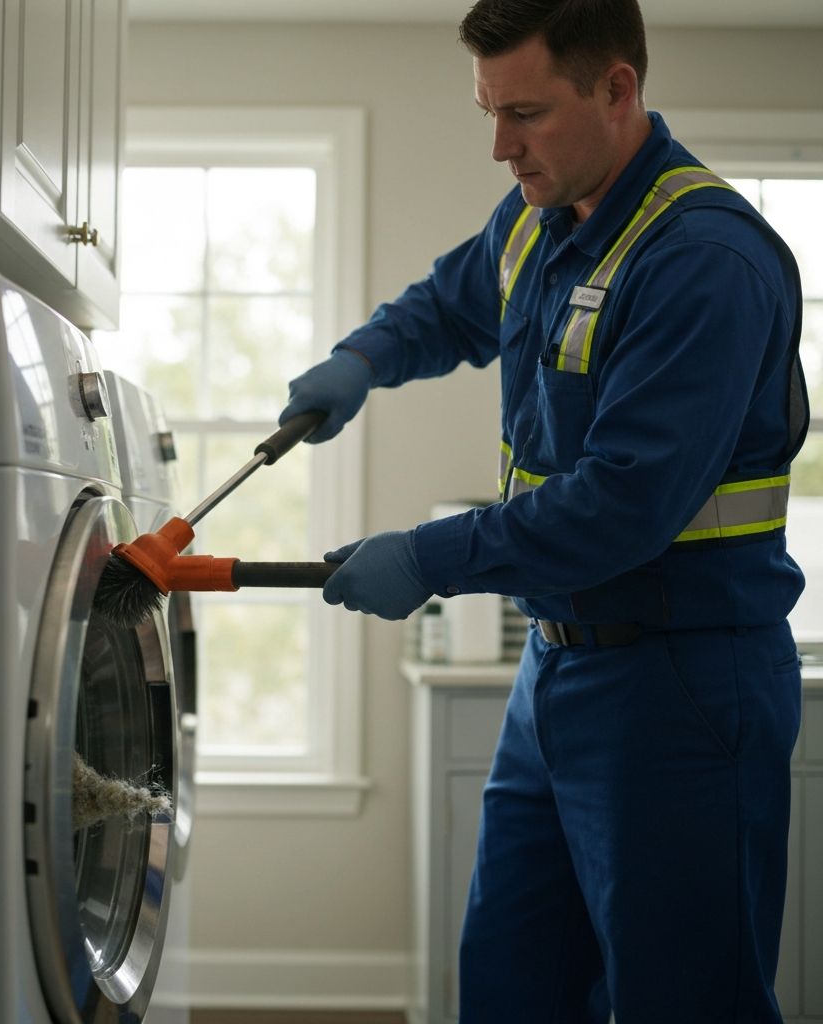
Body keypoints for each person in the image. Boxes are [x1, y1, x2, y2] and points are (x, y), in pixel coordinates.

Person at [278, 0, 810, 1021]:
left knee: (682, 999)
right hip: (556, 673)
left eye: (523, 112)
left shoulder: (702, 259)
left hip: (681, 684)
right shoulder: (539, 214)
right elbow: (449, 305)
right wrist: (363, 359)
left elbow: (617, 507)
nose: (497, 146)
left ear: (617, 89)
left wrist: (430, 558)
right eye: (488, 111)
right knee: (514, 982)